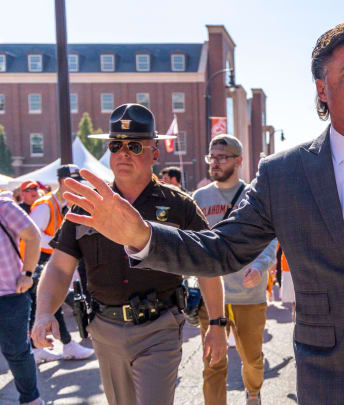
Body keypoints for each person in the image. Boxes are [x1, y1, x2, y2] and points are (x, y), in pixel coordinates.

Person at [62, 22, 344, 404]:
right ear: (321, 89)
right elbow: (222, 250)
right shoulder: (284, 173)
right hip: (330, 374)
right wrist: (143, 235)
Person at [31, 103, 227, 405]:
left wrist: (216, 323)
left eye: (134, 145)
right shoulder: (87, 206)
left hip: (159, 326)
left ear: (154, 154)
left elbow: (207, 265)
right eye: (116, 144)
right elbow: (59, 266)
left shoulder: (179, 205)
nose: (123, 152)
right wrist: (43, 312)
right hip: (104, 330)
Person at [192, 134, 278, 405]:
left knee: (252, 359)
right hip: (210, 295)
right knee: (212, 363)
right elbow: (192, 241)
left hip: (248, 294)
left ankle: (253, 392)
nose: (214, 163)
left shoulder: (254, 196)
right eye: (212, 157)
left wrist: (260, 265)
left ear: (238, 161)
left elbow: (269, 236)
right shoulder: (199, 198)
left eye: (222, 157)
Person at [28, 164, 94, 364]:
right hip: (38, 261)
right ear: (65, 182)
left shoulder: (63, 205)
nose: (79, 188)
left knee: (50, 305)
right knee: (49, 303)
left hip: (50, 260)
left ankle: (59, 345)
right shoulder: (45, 205)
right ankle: (62, 344)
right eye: (76, 183)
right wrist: (65, 244)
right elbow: (32, 237)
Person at [0, 197, 44, 405]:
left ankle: (31, 399)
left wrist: (28, 273)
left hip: (9, 294)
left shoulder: (3, 207)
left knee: (17, 351)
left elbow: (34, 236)